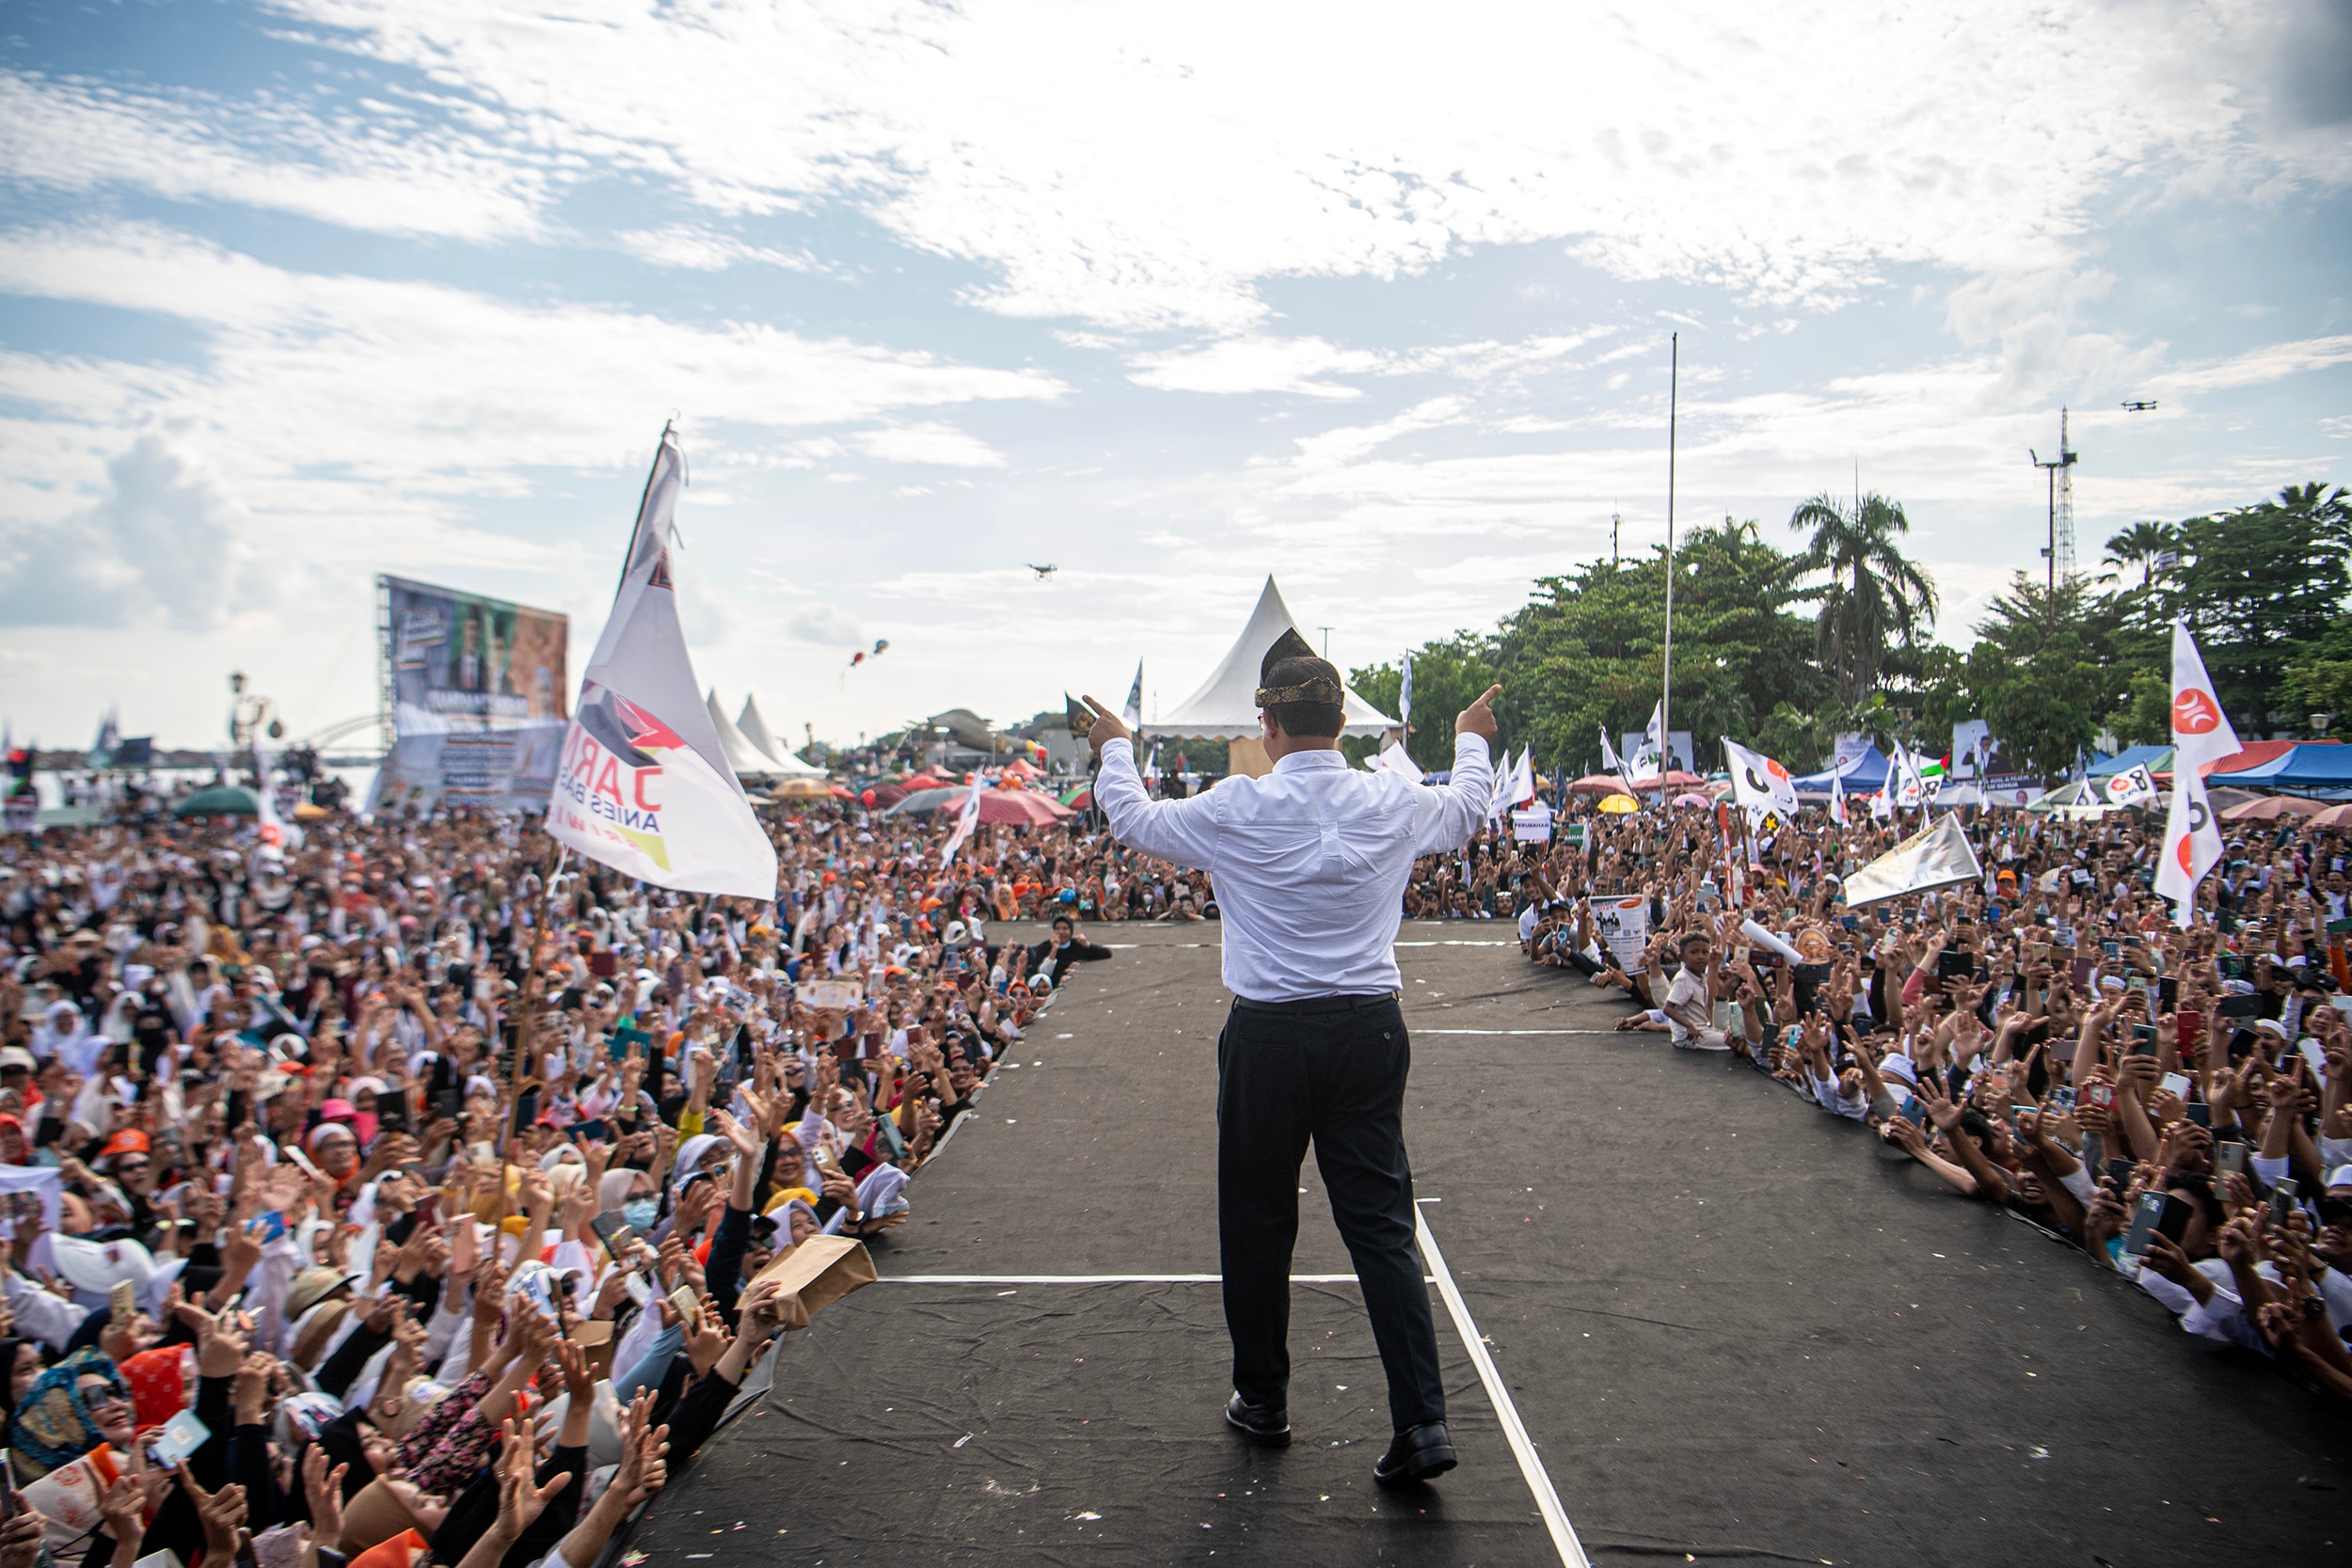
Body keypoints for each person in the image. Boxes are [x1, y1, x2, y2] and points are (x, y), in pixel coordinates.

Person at [1083, 628, 1499, 1487]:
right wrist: (1471, 736)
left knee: (1258, 1219)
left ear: (1267, 724)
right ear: (1343, 722)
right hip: (1368, 1030)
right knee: (1382, 1229)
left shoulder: (1239, 805)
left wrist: (1117, 748)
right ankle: (1421, 1419)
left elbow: (1132, 819)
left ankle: (1263, 1397)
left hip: (1271, 1035)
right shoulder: (1391, 798)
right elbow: (1466, 813)